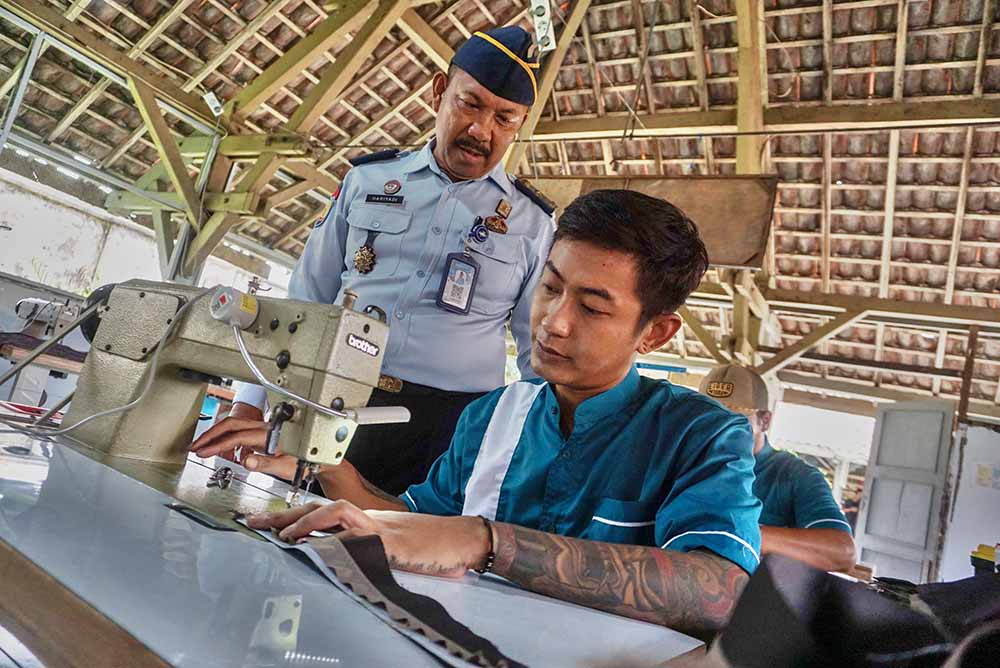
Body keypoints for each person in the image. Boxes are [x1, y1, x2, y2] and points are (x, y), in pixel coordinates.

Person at [248, 190, 762, 640]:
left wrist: (487, 543)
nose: (554, 322)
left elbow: (725, 591)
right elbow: (419, 524)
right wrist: (328, 469)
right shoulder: (490, 415)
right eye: (551, 287)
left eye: (593, 307)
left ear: (654, 334)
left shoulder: (702, 434)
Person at [193, 26, 555, 495]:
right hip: (333, 401)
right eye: (471, 104)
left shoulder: (534, 224)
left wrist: (537, 452)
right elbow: (306, 298)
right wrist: (249, 400)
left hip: (452, 433)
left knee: (411, 553)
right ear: (439, 91)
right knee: (296, 531)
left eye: (505, 119)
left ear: (519, 124)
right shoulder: (368, 181)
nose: (482, 131)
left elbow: (537, 353)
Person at [699, 365, 857, 573]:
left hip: (753, 599)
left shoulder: (796, 476)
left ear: (764, 421)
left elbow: (842, 552)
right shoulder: (686, 463)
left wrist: (741, 535)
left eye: (734, 421)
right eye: (708, 418)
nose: (718, 430)